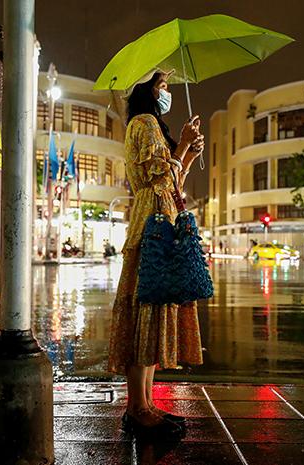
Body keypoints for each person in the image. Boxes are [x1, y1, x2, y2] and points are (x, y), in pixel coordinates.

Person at [108, 70, 204, 438]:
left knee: (153, 317)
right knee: (144, 317)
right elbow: (158, 178)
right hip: (151, 227)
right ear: (146, 90)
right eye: (163, 86)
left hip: (159, 221)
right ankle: (136, 408)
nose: (167, 93)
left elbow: (174, 181)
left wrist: (188, 154)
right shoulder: (144, 122)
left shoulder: (151, 125)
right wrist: (181, 147)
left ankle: (146, 405)